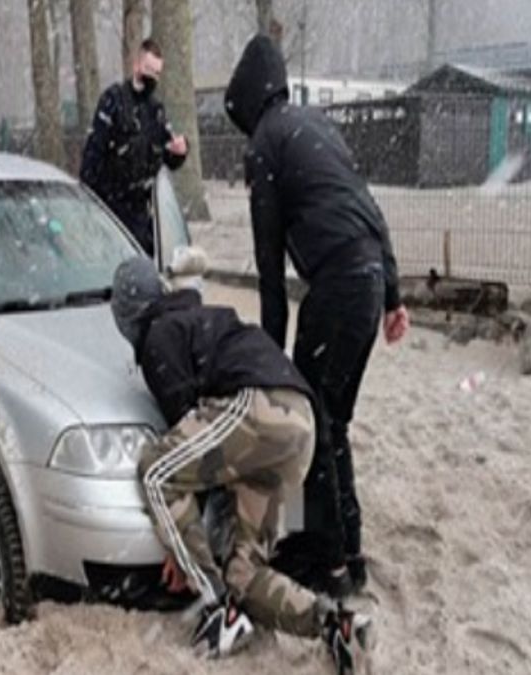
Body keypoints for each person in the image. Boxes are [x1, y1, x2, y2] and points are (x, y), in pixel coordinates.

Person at [110, 256, 372, 669]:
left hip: (259, 405)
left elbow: (184, 455)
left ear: (125, 316)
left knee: (156, 472)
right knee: (243, 573)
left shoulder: (160, 335)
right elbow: (208, 456)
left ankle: (217, 610)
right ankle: (336, 624)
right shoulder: (195, 315)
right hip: (299, 422)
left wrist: (182, 552)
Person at [223, 34, 410, 597]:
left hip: (337, 285)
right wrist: (393, 295)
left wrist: (267, 362)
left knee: (310, 420)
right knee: (332, 422)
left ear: (247, 103)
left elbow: (270, 269)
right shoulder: (318, 127)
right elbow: (370, 212)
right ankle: (345, 549)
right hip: (368, 279)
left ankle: (322, 560)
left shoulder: (265, 147)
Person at [79, 38, 188, 256]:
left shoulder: (156, 111)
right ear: (136, 65)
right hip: (111, 207)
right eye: (148, 69)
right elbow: (93, 153)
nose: (152, 77)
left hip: (141, 211)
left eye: (157, 73)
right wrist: (90, 203)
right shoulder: (114, 100)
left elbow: (168, 155)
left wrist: (180, 151)